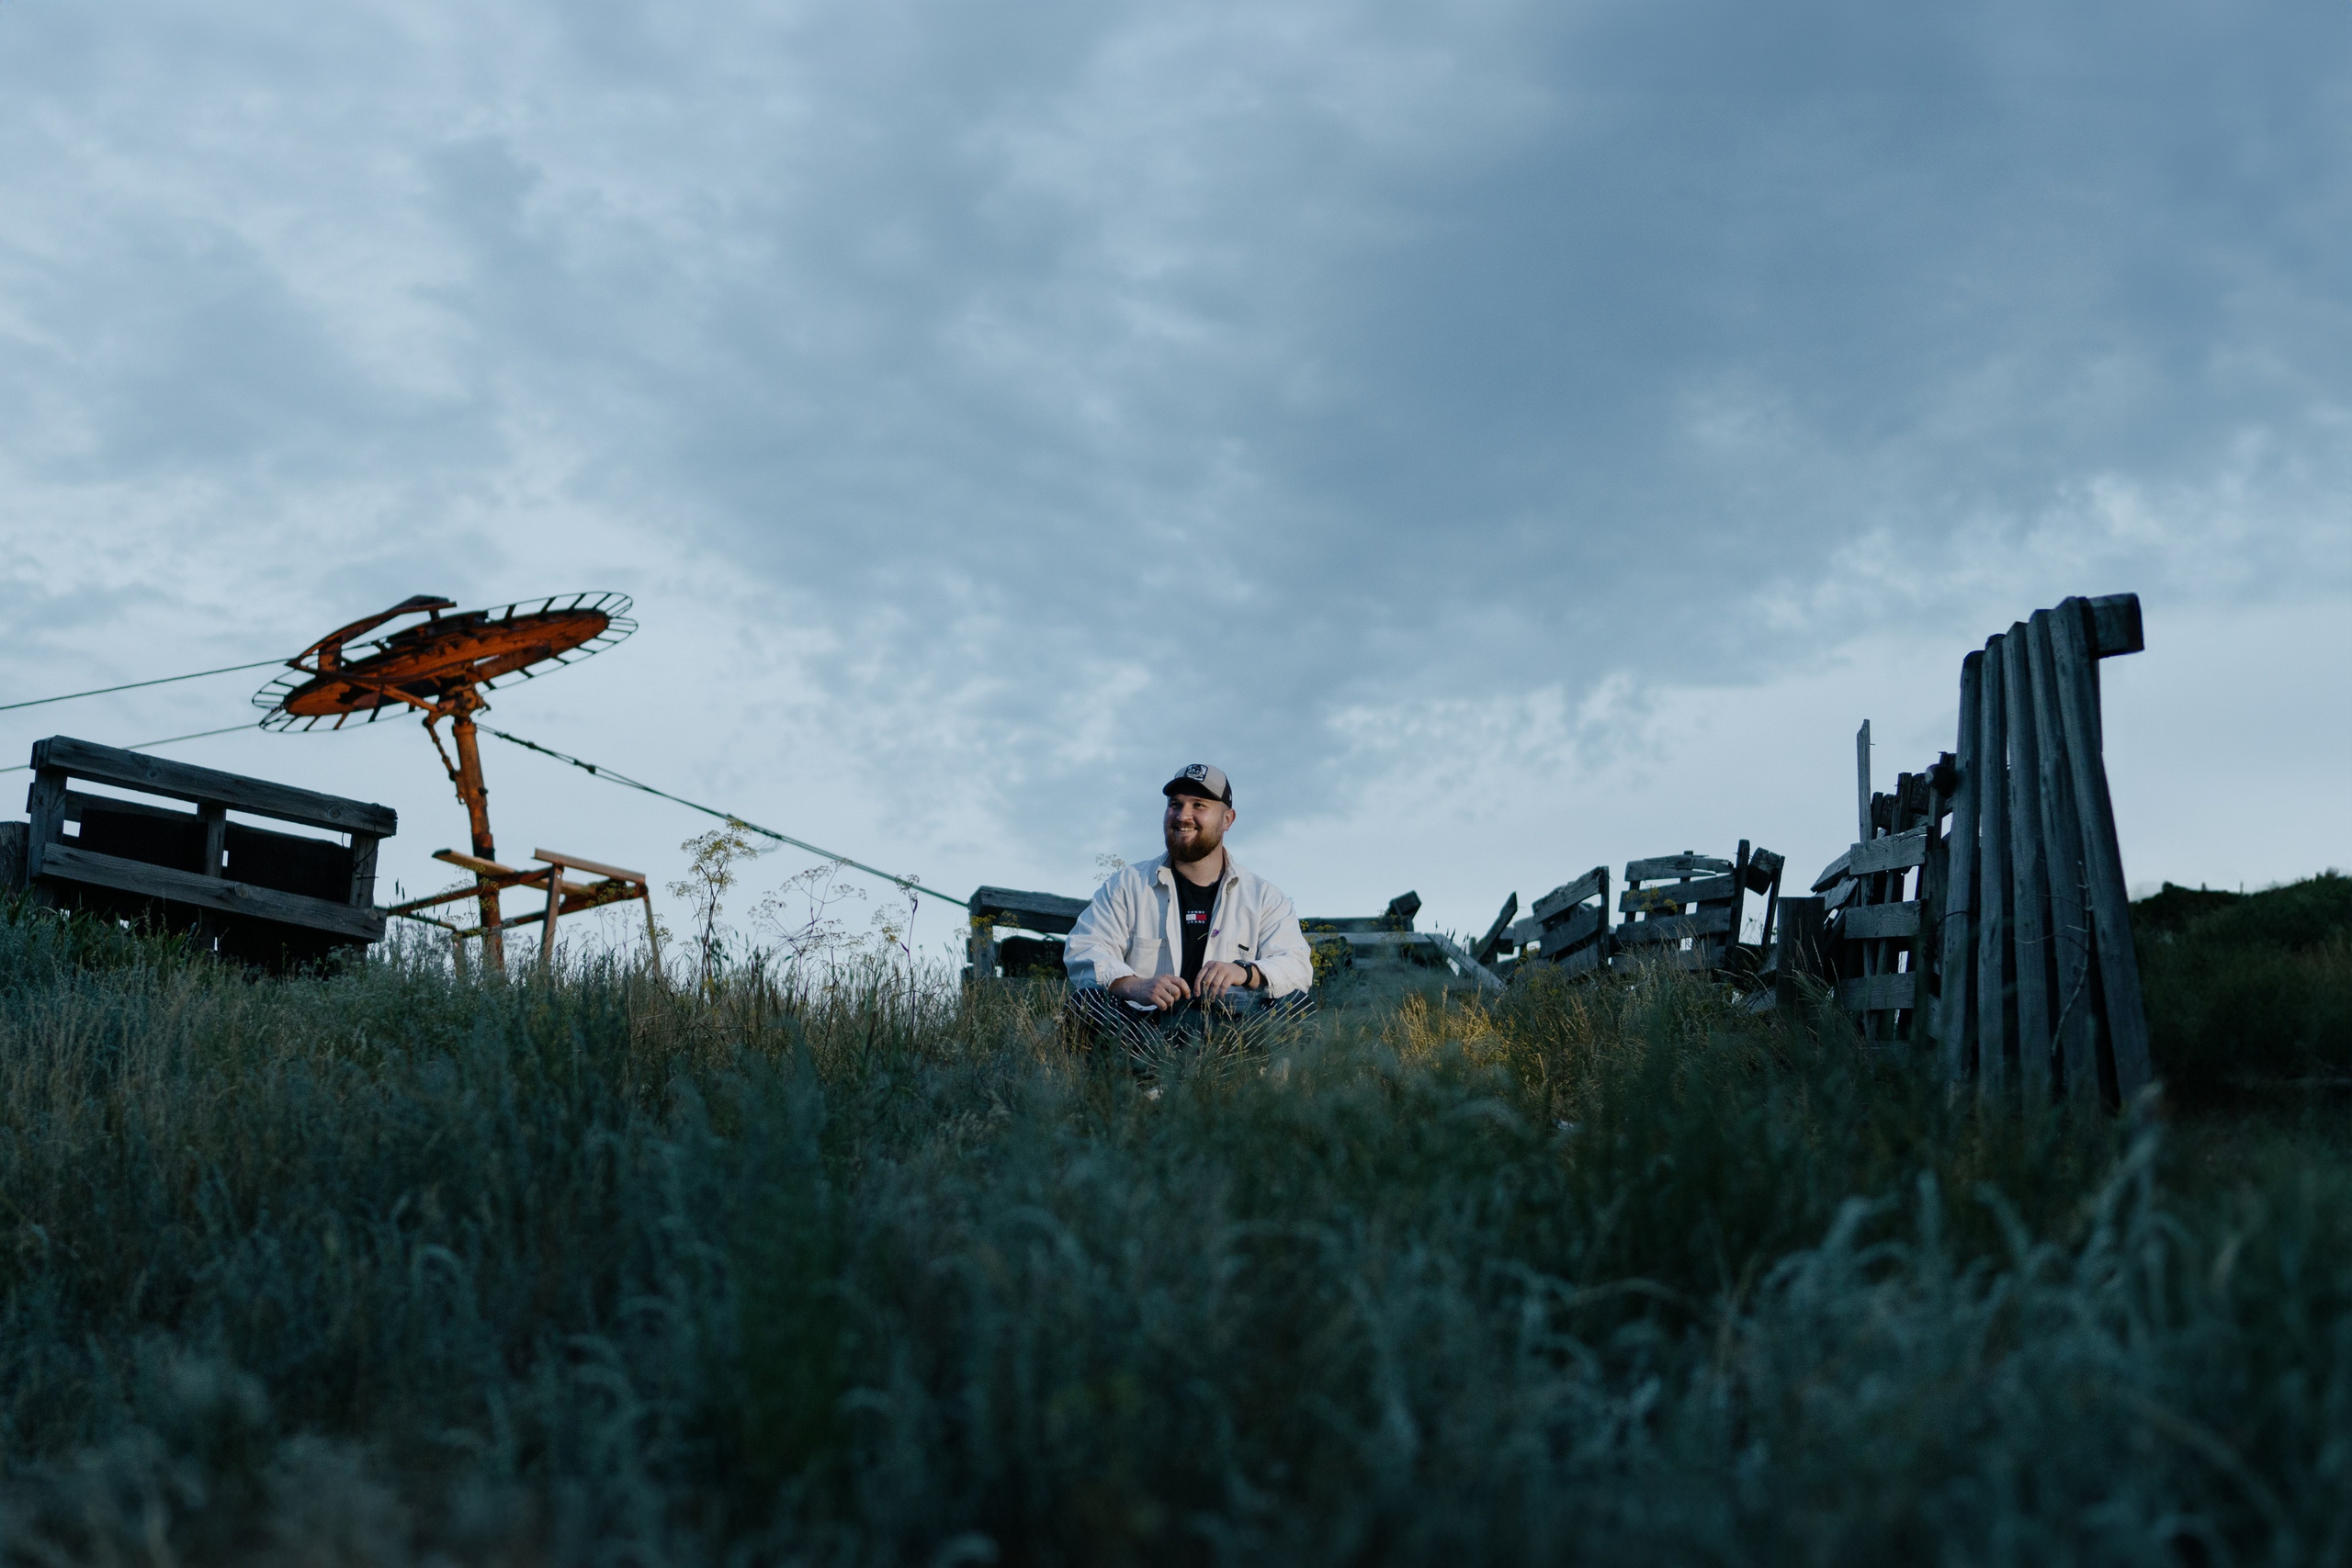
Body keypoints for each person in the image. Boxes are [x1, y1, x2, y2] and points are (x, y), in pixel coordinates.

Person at [1063, 763, 1314, 1066]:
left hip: (1228, 1034)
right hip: (1145, 1033)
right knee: (1084, 1003)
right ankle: (1157, 1084)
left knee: (1299, 1007)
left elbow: (1297, 968)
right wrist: (1133, 984)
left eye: (1199, 805)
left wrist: (1246, 972)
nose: (1183, 816)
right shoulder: (1128, 884)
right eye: (1175, 804)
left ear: (1227, 819)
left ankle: (1211, 1083)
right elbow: (1084, 948)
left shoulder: (1263, 897)